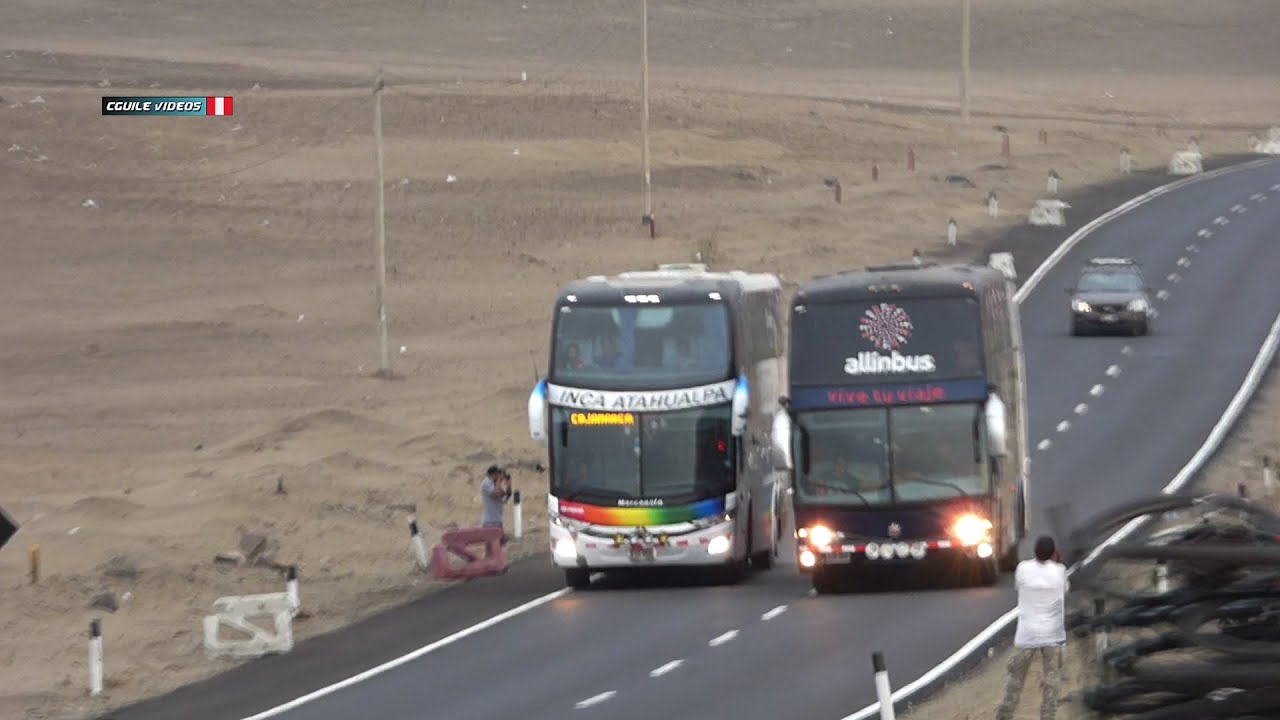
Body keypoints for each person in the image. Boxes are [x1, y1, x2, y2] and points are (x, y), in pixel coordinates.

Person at [995, 535, 1069, 720]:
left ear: (1035, 551)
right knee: (1051, 683)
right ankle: (1047, 716)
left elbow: (1018, 587)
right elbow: (1065, 590)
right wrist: (1057, 562)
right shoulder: (1060, 571)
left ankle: (1004, 716)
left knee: (1014, 682)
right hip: (1053, 636)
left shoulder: (1023, 569)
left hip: (1026, 636)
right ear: (1054, 553)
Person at [480, 465, 512, 530]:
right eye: (498, 474)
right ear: (493, 474)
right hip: (489, 522)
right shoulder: (486, 483)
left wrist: (509, 484)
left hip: (498, 521)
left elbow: (506, 498)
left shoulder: (495, 484)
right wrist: (499, 480)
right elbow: (496, 494)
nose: (499, 476)